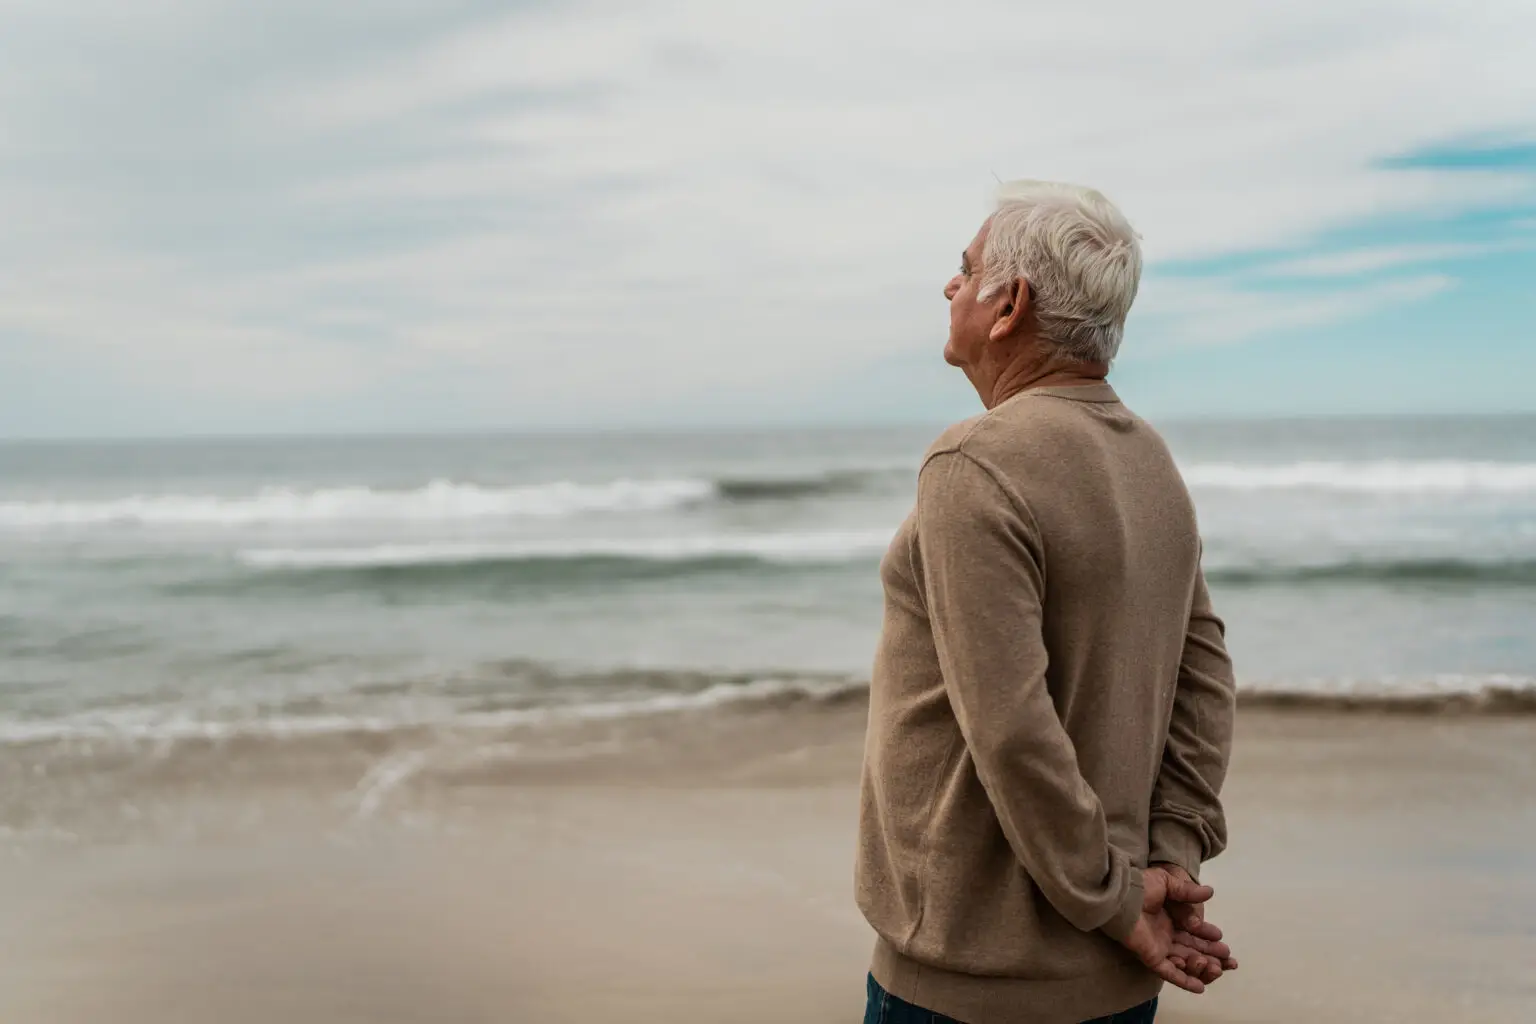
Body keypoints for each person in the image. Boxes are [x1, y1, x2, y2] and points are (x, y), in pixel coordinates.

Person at [855, 180, 1239, 1024]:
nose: (950, 286)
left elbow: (1011, 726)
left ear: (1010, 305)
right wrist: (1164, 863)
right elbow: (1203, 679)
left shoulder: (974, 462)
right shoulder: (1149, 458)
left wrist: (1111, 896)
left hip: (972, 980)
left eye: (965, 269)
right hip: (1122, 965)